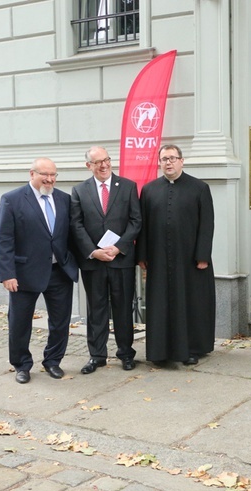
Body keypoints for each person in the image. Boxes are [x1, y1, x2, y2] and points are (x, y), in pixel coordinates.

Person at [0, 158, 79, 384]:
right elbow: (3, 240)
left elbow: (71, 234)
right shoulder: (12, 200)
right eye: (45, 175)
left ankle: (53, 361)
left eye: (54, 175)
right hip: (23, 274)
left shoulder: (64, 199)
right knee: (20, 322)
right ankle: (21, 365)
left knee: (60, 321)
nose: (50, 179)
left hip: (59, 271)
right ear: (32, 174)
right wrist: (7, 274)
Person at [136, 144, 216, 366]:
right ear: (159, 163)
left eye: (172, 158)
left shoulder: (199, 188)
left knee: (190, 303)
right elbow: (143, 225)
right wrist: (141, 255)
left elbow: (207, 224)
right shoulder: (149, 189)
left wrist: (203, 256)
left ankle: (191, 348)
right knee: (160, 304)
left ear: (181, 161)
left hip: (189, 260)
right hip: (159, 259)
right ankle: (159, 351)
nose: (168, 162)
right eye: (164, 159)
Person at [70, 146, 142, 374]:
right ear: (88, 166)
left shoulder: (128, 186)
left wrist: (118, 247)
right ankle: (97, 355)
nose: (104, 165)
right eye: (98, 161)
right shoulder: (79, 190)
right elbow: (76, 224)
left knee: (123, 309)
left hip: (121, 260)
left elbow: (135, 221)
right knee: (97, 310)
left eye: (107, 160)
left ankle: (126, 354)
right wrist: (93, 251)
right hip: (94, 262)